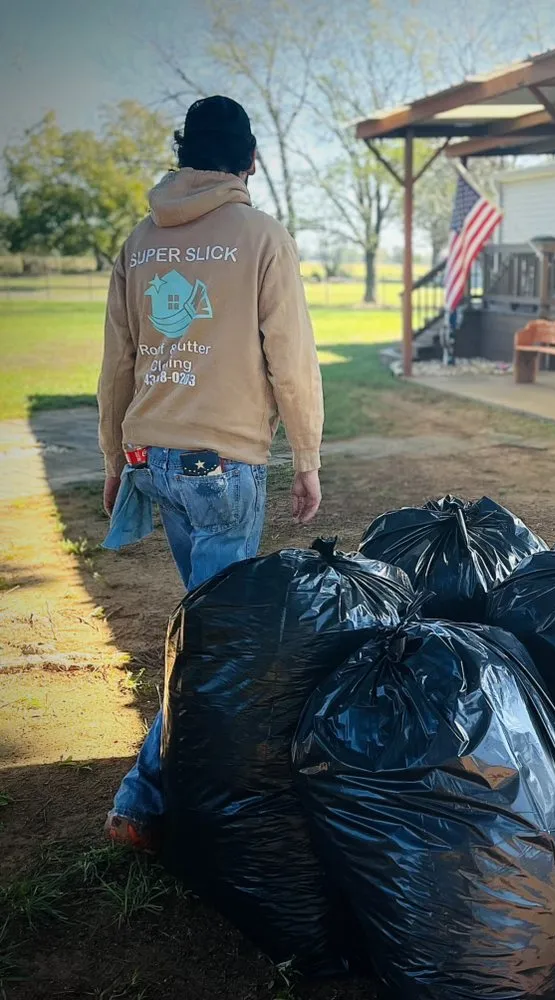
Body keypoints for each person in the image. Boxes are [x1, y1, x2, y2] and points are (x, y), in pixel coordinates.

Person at [98, 96, 324, 849]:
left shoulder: (138, 240)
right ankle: (144, 799)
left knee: (204, 624)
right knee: (214, 642)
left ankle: (200, 776)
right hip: (222, 466)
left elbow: (117, 365)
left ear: (185, 154)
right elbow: (290, 361)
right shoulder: (260, 234)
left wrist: (113, 460)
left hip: (155, 462)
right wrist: (309, 457)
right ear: (249, 162)